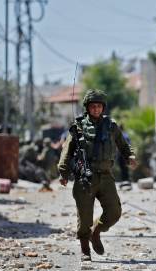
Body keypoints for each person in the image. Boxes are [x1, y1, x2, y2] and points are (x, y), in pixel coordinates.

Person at [58, 89, 137, 261]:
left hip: (106, 176)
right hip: (85, 178)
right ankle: (85, 249)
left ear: (103, 107)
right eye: (93, 106)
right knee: (84, 215)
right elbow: (67, 150)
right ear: (87, 107)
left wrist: (129, 156)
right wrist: (63, 172)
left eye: (99, 106)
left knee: (114, 211)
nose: (96, 109)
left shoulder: (111, 126)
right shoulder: (78, 126)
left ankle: (96, 232)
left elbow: (123, 145)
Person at [117, 124, 132, 190]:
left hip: (121, 154)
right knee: (125, 168)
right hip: (125, 154)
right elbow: (129, 145)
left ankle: (125, 181)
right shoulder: (126, 135)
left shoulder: (120, 135)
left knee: (123, 169)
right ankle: (126, 181)